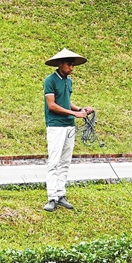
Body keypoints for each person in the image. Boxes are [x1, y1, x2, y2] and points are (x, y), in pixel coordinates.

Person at [42, 49, 94, 212]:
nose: (71, 68)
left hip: (69, 125)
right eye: (69, 64)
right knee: (54, 162)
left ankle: (61, 194)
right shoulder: (50, 81)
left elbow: (66, 102)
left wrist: (81, 109)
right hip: (56, 126)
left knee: (65, 161)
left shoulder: (68, 81)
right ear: (60, 64)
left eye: (73, 65)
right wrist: (75, 113)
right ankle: (52, 197)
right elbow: (52, 105)